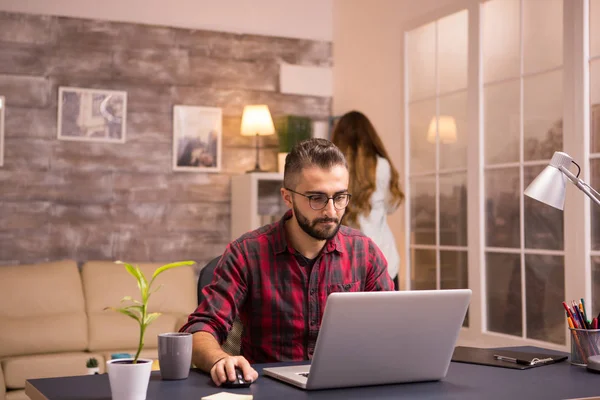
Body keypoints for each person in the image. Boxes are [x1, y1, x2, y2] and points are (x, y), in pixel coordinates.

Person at [180, 138, 394, 386]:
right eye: (317, 198)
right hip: (269, 389)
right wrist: (219, 359)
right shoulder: (246, 253)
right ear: (287, 197)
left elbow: (390, 328)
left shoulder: (364, 252)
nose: (332, 211)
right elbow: (200, 328)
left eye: (340, 197)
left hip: (345, 385)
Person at [331, 111, 405, 290]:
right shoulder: (382, 166)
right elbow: (391, 206)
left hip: (346, 261)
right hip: (384, 257)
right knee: (387, 316)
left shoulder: (333, 168)